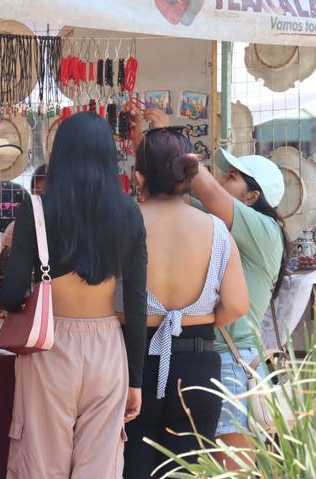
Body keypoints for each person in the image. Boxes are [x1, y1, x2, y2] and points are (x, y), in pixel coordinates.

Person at [0, 112, 148, 478]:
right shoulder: (129, 212)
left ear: (59, 154)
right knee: (100, 464)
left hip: (50, 345)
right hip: (108, 348)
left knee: (41, 461)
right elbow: (137, 302)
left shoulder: (37, 209)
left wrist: (5, 305)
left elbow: (13, 291)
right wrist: (136, 381)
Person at [133, 108, 286, 471]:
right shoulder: (211, 223)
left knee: (226, 469)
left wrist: (172, 138)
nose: (218, 179)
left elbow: (209, 193)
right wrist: (150, 138)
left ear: (252, 197)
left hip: (230, 360)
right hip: (200, 356)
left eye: (231, 177)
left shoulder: (263, 231)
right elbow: (167, 192)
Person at [117, 126, 248, 479]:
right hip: (198, 363)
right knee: (188, 471)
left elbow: (110, 303)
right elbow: (237, 304)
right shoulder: (216, 230)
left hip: (134, 363)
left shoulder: (124, 226)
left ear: (138, 176)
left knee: (133, 467)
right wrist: (199, 320)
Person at [2, 164, 47, 248]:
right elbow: (6, 257)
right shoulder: (17, 228)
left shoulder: (74, 225)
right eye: (37, 192)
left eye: (48, 192)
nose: (43, 199)